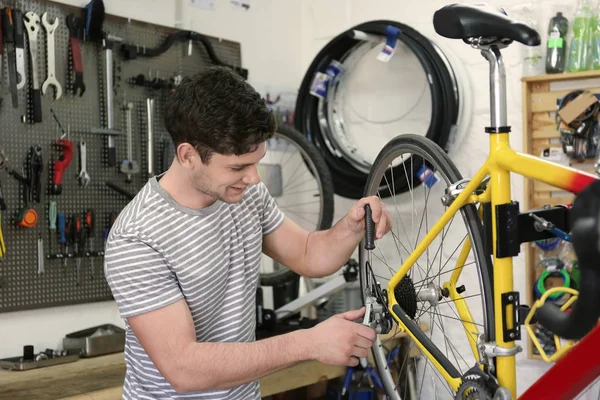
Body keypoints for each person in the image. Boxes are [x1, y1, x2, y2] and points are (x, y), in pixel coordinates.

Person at [104, 66, 392, 400]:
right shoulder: (138, 238)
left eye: (256, 162)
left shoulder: (242, 194)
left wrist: (351, 226)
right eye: (238, 167)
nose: (254, 179)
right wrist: (310, 342)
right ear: (188, 156)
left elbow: (308, 254)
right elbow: (183, 368)